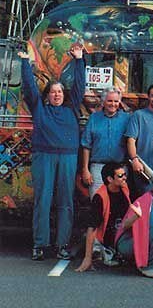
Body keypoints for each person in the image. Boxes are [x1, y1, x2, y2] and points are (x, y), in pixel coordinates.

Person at [19, 43, 85, 261]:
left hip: (68, 156)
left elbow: (79, 86)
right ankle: (40, 244)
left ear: (64, 95)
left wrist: (79, 60)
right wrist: (24, 62)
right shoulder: (39, 108)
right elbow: (29, 87)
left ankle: (62, 244)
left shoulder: (71, 108)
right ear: (46, 95)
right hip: (44, 156)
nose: (57, 95)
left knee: (66, 201)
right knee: (43, 200)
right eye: (53, 92)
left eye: (59, 92)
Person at [76, 162, 130, 272]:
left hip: (124, 232)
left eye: (125, 174)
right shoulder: (100, 197)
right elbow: (92, 227)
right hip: (112, 239)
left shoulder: (125, 188)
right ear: (110, 179)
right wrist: (87, 258)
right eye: (120, 176)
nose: (124, 178)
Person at [80, 87, 130, 197]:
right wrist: (85, 169)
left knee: (119, 202)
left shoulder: (127, 119)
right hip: (98, 167)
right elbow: (86, 145)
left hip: (119, 168)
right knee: (97, 200)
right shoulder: (94, 118)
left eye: (116, 101)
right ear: (103, 102)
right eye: (109, 101)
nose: (113, 104)